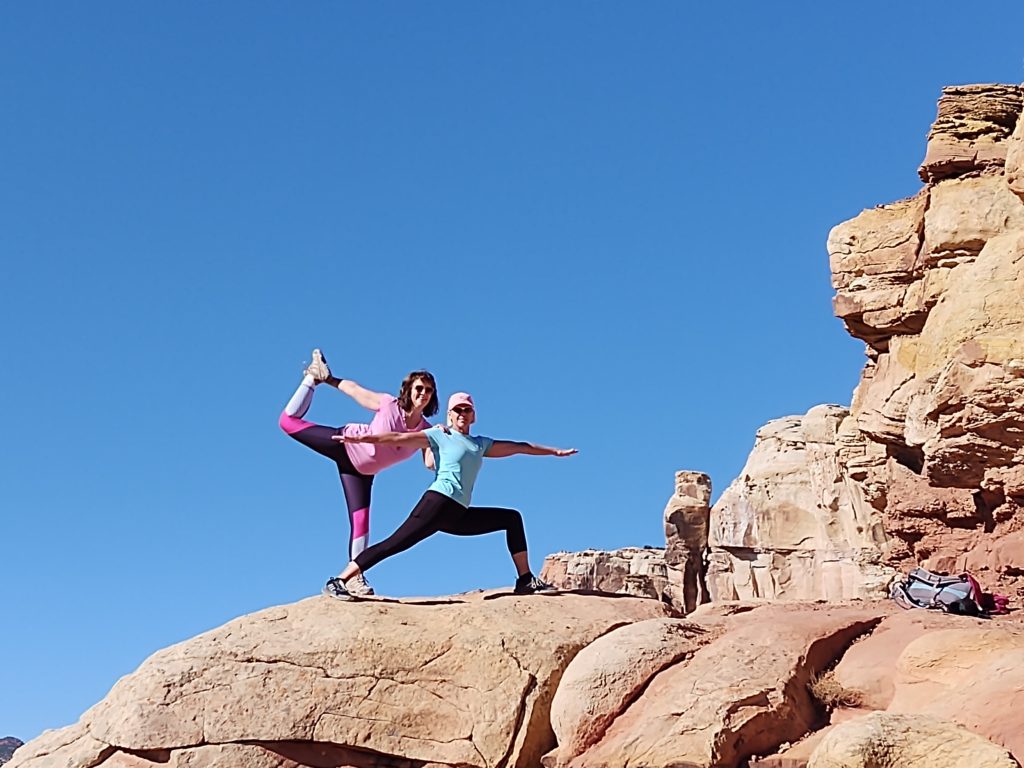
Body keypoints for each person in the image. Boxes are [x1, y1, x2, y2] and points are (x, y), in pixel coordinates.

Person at [322, 391, 577, 600]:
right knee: (393, 544)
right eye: (457, 410)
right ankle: (339, 580)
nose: (462, 414)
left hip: (458, 514)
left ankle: (524, 580)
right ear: (450, 415)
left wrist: (553, 452)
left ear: (473, 415)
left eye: (467, 410)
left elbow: (519, 447)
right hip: (437, 503)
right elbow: (400, 436)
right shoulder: (440, 435)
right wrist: (367, 438)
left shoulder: (480, 444)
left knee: (511, 519)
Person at [279, 349, 438, 596]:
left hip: (362, 474)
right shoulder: (388, 404)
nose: (423, 394)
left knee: (361, 523)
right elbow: (355, 390)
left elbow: (429, 463)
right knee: (288, 423)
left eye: (428, 391)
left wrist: (441, 442)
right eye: (419, 388)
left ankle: (354, 578)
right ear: (408, 389)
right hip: (345, 444)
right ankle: (311, 378)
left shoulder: (425, 432)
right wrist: (328, 380)